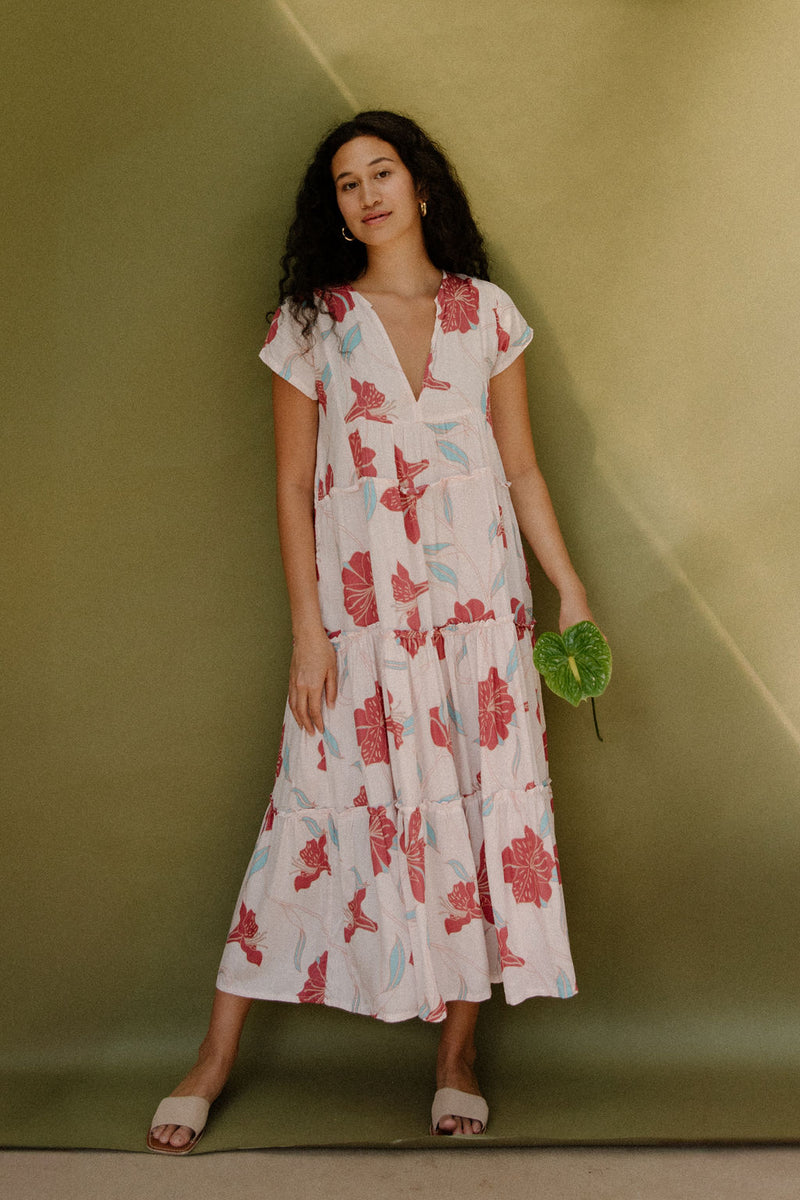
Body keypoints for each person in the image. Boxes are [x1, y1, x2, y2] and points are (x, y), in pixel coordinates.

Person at [147, 110, 596, 1153]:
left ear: (421, 186)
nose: (366, 194)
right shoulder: (312, 323)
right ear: (337, 210)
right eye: (346, 183)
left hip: (480, 618)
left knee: (481, 820)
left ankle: (455, 1057)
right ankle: (212, 1060)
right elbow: (294, 487)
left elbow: (519, 469)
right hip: (364, 627)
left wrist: (566, 591)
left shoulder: (486, 314)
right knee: (309, 811)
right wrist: (311, 633)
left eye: (381, 172)